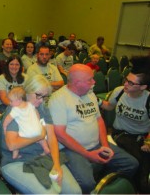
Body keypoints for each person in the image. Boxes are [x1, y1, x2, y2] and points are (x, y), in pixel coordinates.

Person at [48, 64, 139, 194]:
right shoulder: (58, 99)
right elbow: (60, 134)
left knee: (131, 164)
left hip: (96, 144)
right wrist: (87, 154)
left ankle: (103, 186)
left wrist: (105, 145)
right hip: (72, 150)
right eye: (90, 79)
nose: (94, 82)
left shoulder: (89, 93)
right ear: (77, 82)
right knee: (86, 183)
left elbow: (99, 120)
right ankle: (95, 187)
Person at [0, 74, 81, 194]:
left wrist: (57, 164)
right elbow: (12, 145)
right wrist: (39, 136)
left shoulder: (43, 108)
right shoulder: (17, 108)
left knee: (75, 192)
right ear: (27, 91)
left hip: (42, 156)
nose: (41, 100)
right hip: (17, 162)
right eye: (38, 95)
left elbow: (52, 138)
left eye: (44, 97)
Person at [100, 55, 150, 193]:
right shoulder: (120, 91)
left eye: (131, 83)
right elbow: (109, 106)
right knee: (137, 162)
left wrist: (149, 142)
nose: (126, 84)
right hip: (120, 134)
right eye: (126, 80)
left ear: (143, 87)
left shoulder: (148, 99)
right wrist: (95, 101)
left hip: (142, 138)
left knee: (145, 167)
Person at [3, 86, 50, 159]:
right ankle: (46, 148)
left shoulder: (15, 109)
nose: (10, 103)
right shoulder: (30, 105)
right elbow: (36, 114)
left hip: (26, 133)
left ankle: (15, 154)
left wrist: (4, 126)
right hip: (38, 130)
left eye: (11, 101)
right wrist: (38, 124)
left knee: (17, 140)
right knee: (42, 139)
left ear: (19, 100)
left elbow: (8, 119)